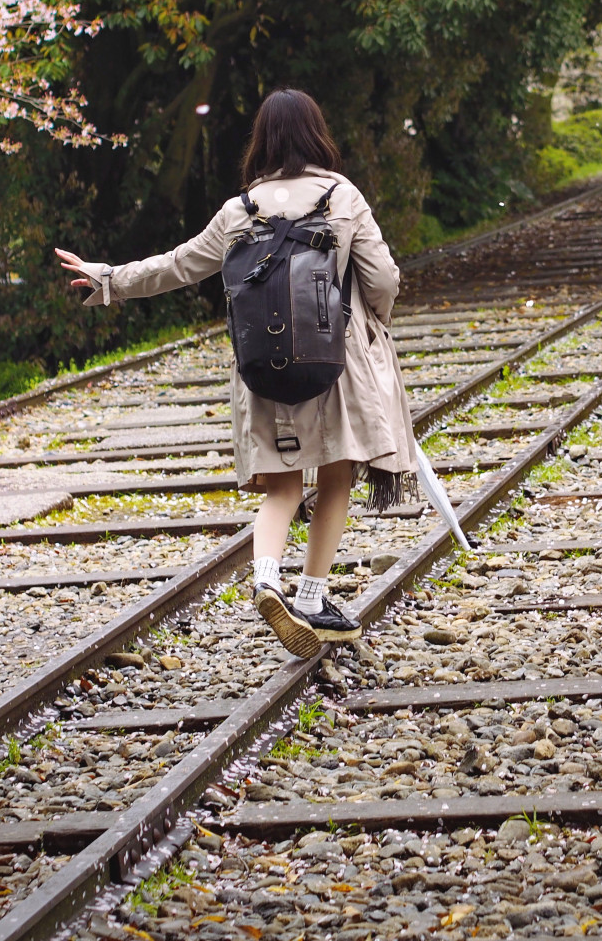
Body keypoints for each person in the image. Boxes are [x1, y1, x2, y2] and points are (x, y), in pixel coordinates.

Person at [55, 89, 415, 655]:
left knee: (282, 485)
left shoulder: (238, 210)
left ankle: (267, 578)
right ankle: (314, 597)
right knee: (337, 475)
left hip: (264, 365)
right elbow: (385, 279)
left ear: (263, 140)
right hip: (334, 364)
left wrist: (107, 279)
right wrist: (374, 323)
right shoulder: (342, 196)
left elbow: (177, 266)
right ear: (316, 133)